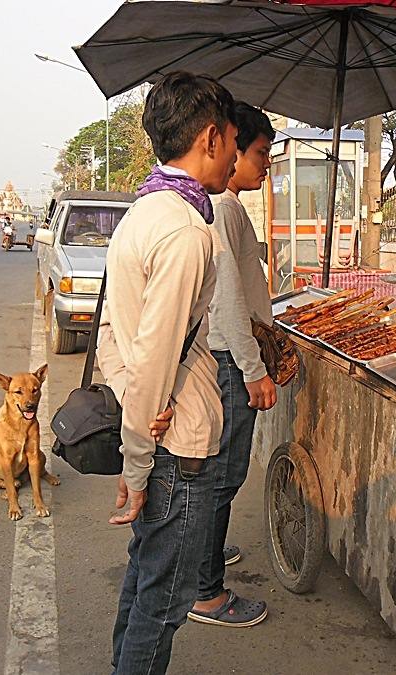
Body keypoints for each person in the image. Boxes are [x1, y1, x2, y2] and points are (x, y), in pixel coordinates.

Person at [95, 71, 237, 675]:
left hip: (158, 434)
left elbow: (114, 337)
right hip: (174, 445)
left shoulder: (144, 210)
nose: (233, 156)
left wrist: (134, 430)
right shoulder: (183, 231)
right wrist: (137, 463)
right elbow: (154, 354)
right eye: (233, 140)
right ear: (210, 138)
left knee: (146, 585)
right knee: (165, 601)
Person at [187, 103, 276, 628]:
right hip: (227, 358)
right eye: (260, 152)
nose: (265, 164)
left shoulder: (230, 206)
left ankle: (207, 557)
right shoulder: (220, 206)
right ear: (231, 147)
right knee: (221, 475)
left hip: (230, 354)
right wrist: (252, 367)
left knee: (220, 476)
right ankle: (206, 592)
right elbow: (225, 300)